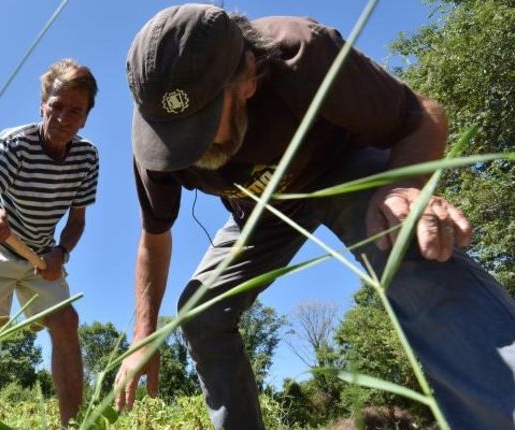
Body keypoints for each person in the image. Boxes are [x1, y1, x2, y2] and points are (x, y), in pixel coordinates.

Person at [113, 4, 515, 430]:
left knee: (406, 243)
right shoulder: (159, 142)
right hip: (262, 212)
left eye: (203, 123)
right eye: (175, 134)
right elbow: (154, 236)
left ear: (248, 77)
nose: (187, 149)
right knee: (200, 312)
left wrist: (405, 187)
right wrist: (144, 335)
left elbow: (423, 116)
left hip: (344, 168)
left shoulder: (303, 54)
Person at [0, 58, 99, 430]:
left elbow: (77, 221)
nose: (63, 118)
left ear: (86, 117)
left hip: (41, 256)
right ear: (43, 105)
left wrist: (61, 252)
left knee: (67, 320)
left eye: (75, 111)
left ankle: (72, 426)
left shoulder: (87, 157)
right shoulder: (14, 143)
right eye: (56, 107)